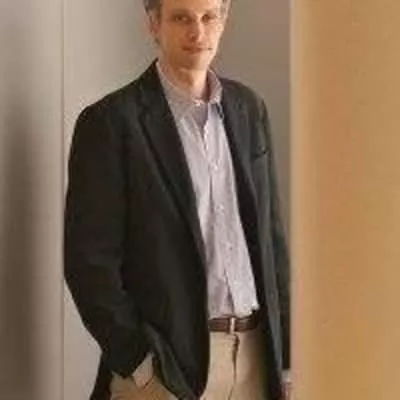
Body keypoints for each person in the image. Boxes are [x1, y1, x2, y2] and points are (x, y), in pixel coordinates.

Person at [64, 0, 290, 399]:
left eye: (208, 17)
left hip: (255, 359)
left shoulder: (249, 109)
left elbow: (272, 243)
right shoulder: (111, 123)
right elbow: (89, 264)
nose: (197, 32)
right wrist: (141, 366)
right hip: (167, 368)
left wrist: (286, 359)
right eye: (181, 18)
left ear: (224, 21)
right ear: (154, 24)